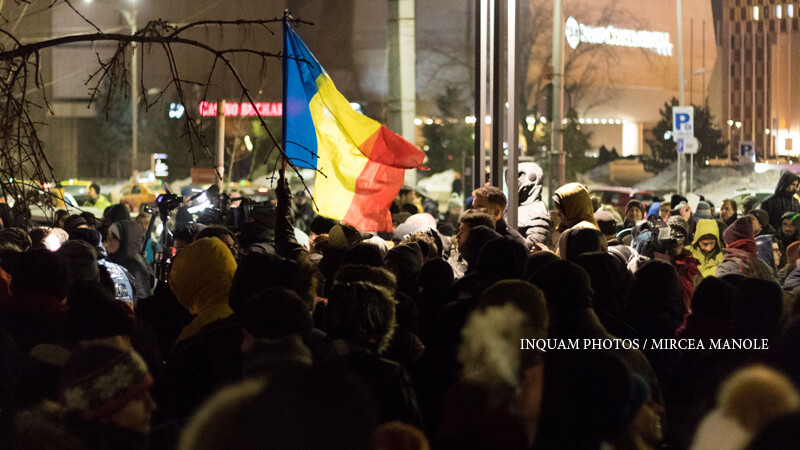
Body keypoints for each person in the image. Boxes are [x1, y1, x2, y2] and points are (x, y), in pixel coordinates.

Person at [471, 185, 529, 250]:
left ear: (496, 212)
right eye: (473, 208)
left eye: (480, 208)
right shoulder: (475, 235)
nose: (473, 212)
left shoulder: (512, 243)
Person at [515, 162, 552, 247]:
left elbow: (534, 243)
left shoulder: (538, 210)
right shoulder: (512, 206)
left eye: (519, 176)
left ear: (532, 178)